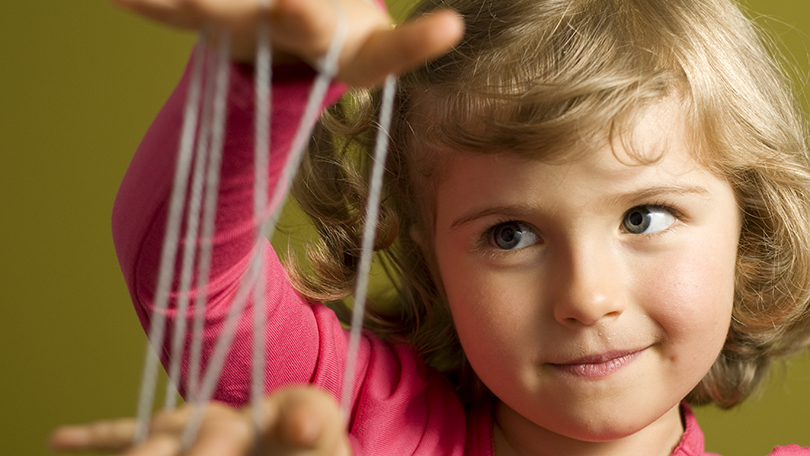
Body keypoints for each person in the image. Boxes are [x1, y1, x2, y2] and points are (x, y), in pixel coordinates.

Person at [50, 0, 810, 454]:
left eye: (643, 216)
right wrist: (276, 71)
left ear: (751, 232)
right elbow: (193, 289)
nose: (587, 297)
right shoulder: (352, 417)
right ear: (430, 254)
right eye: (510, 234)